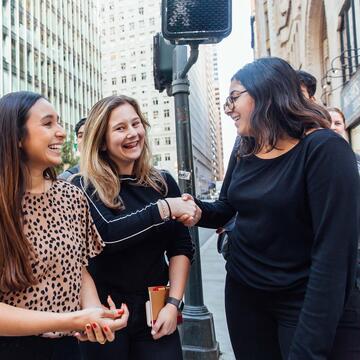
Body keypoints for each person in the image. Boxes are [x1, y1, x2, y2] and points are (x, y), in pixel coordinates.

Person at [180, 57, 360, 359]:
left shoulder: (324, 150)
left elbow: (333, 259)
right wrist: (196, 210)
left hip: (302, 302)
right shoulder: (245, 147)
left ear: (267, 93)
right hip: (244, 296)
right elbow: (226, 208)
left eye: (234, 97)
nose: (228, 108)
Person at [0, 91, 129, 360]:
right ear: (17, 137)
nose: (61, 132)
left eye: (59, 123)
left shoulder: (72, 196)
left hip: (67, 348)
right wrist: (72, 320)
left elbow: (78, 271)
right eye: (48, 123)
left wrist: (94, 316)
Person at [71, 95, 195, 360]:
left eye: (136, 124)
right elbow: (108, 235)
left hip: (156, 311)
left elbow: (181, 247)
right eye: (120, 128)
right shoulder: (83, 186)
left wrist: (173, 304)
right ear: (102, 142)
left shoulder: (162, 183)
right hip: (106, 315)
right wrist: (166, 209)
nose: (132, 134)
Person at [328, 107, 360, 173]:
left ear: (344, 126)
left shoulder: (356, 159)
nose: (332, 127)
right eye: (327, 123)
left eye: (337, 123)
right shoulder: (317, 156)